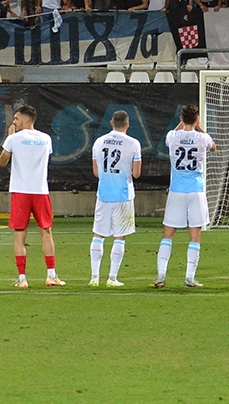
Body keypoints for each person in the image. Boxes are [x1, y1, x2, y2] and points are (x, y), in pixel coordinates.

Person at [0, 105, 60, 288]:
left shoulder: (14, 139)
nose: (14, 122)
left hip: (20, 191)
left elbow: (2, 162)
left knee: (20, 235)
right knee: (46, 232)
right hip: (40, 190)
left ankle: (22, 278)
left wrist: (9, 139)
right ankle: (51, 275)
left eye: (16, 118)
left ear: (25, 120)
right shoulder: (46, 139)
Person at [155, 104, 215, 288]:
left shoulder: (172, 136)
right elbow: (213, 147)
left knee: (168, 233)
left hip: (176, 191)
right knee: (195, 234)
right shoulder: (203, 138)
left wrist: (182, 126)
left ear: (181, 119)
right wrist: (199, 128)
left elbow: (171, 136)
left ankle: (160, 276)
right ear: (196, 120)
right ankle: (189, 277)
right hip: (196, 191)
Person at [89, 111, 141, 287]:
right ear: (127, 124)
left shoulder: (99, 142)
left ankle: (94, 277)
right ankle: (112, 278)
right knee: (119, 237)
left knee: (99, 234)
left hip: (103, 194)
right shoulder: (133, 143)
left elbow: (96, 172)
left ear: (111, 122)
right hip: (123, 195)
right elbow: (137, 173)